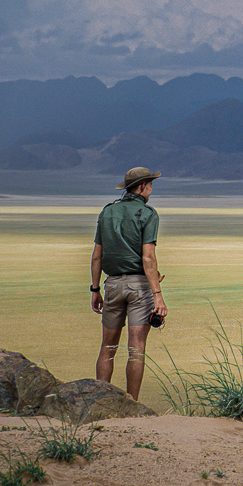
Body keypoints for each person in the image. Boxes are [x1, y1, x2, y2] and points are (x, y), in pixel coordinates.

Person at [90, 166, 168, 401]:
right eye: (151, 185)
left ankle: (100, 403)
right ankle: (132, 405)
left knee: (108, 348)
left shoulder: (107, 212)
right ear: (142, 186)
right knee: (136, 350)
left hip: (111, 285)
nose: (152, 190)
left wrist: (95, 289)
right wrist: (158, 294)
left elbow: (96, 256)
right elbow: (148, 257)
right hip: (139, 287)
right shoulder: (148, 214)